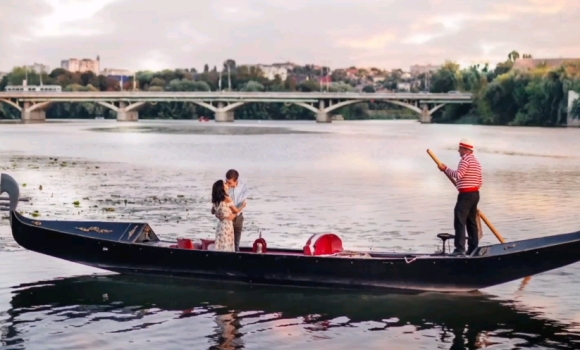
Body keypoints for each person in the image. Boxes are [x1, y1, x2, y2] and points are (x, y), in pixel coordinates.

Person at [437, 138, 482, 256]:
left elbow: (458, 175)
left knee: (459, 220)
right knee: (471, 221)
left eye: (460, 148)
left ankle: (459, 249)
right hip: (475, 194)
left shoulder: (465, 160)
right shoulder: (476, 162)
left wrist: (445, 169)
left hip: (466, 195)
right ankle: (473, 248)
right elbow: (480, 181)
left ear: (466, 149)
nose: (458, 150)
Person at [212, 169, 248, 252]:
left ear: (236, 181)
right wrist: (217, 213)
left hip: (237, 217)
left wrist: (233, 215)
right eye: (226, 182)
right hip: (226, 221)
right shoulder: (225, 188)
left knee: (235, 243)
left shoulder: (244, 188)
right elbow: (219, 204)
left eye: (230, 183)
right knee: (225, 243)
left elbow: (239, 204)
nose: (227, 184)